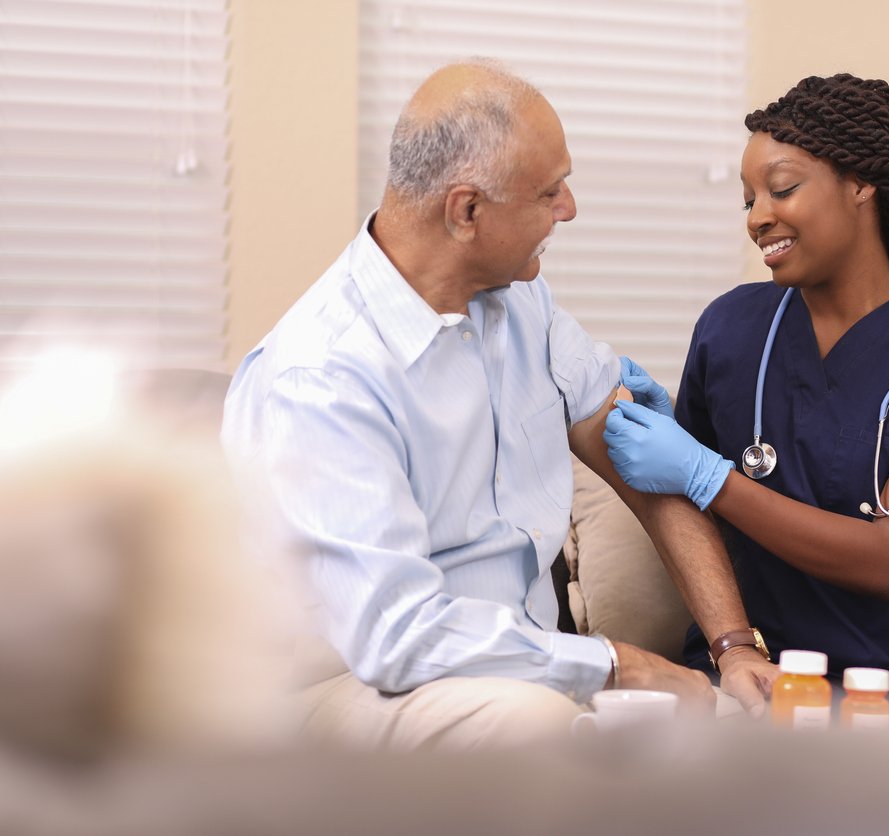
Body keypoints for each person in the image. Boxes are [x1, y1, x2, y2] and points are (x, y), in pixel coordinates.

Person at [220, 61, 777, 750]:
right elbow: (397, 637)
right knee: (536, 726)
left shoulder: (523, 307)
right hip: (355, 687)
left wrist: (733, 647)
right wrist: (617, 664)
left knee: (734, 736)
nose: (568, 209)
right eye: (550, 191)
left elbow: (646, 467)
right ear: (467, 211)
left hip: (521, 674)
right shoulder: (320, 377)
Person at [604, 73, 889, 706]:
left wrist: (709, 475)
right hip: (754, 680)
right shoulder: (730, 329)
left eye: (783, 189)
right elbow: (692, 515)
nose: (758, 217)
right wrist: (731, 644)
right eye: (747, 200)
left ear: (859, 184)